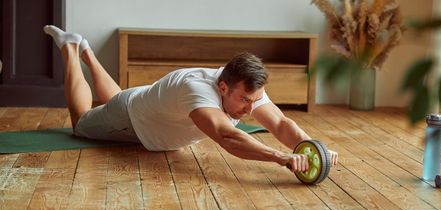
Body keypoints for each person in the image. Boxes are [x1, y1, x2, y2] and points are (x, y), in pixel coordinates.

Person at [43, 25, 338, 173]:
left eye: (254, 100)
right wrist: (280, 157)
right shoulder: (197, 90)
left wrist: (311, 147)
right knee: (81, 123)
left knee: (118, 99)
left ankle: (88, 52)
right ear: (223, 87)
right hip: (130, 121)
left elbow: (280, 123)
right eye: (246, 100)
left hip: (141, 104)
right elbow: (228, 137)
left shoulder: (246, 85)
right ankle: (70, 48)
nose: (251, 108)